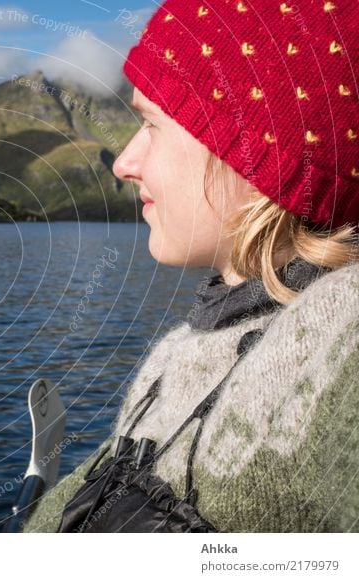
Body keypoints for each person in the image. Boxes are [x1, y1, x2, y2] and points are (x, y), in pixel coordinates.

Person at [22, 0, 359, 532]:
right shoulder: (181, 351)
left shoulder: (346, 334)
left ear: (252, 152)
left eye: (151, 125)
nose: (124, 163)